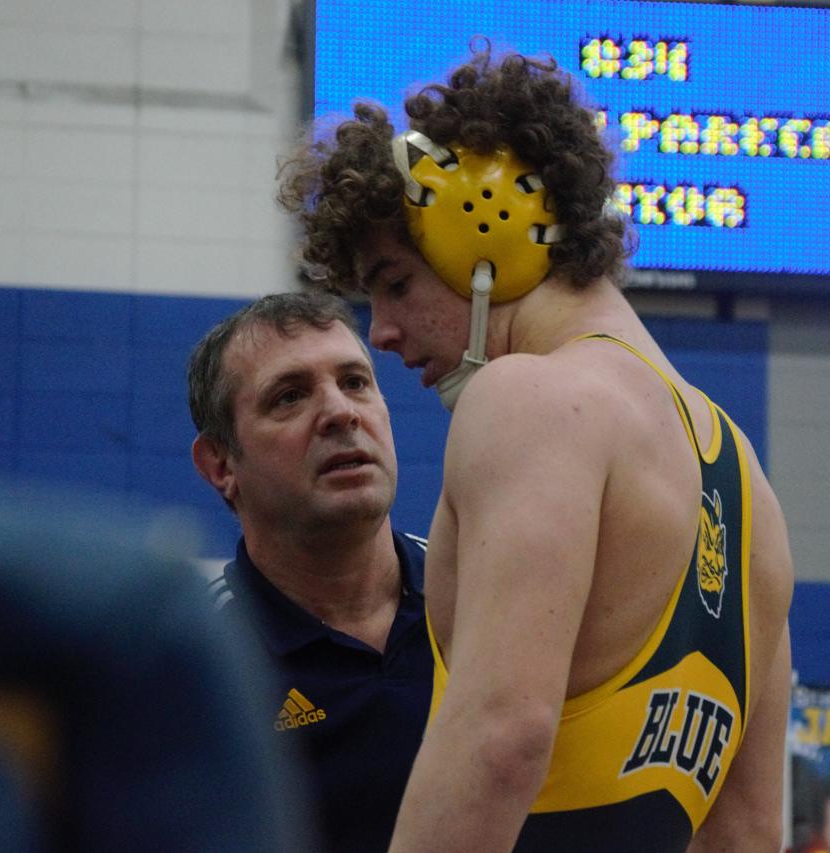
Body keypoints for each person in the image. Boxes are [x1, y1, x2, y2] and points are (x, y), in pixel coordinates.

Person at [278, 44, 794, 852]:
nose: (380, 331)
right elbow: (749, 831)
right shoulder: (745, 479)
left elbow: (501, 735)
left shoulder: (527, 400)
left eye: (395, 281)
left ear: (486, 234)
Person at [186, 291, 434, 853]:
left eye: (355, 382)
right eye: (290, 396)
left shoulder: (489, 596)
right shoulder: (198, 662)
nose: (342, 412)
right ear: (221, 465)